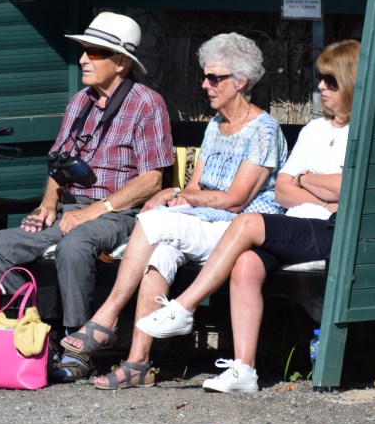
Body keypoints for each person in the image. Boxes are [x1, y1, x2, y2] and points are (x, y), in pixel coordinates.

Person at [58, 32, 288, 389]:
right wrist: (178, 195)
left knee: (153, 222)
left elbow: (236, 200)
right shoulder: (216, 126)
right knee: (160, 253)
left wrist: (181, 197)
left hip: (239, 231)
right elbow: (195, 188)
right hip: (205, 223)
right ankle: (137, 363)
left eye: (214, 78)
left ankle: (107, 316)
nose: (205, 84)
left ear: (241, 82)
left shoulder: (263, 131)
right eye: (205, 76)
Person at [136, 40, 360, 393]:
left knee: (249, 222)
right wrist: (316, 185)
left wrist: (305, 180)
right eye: (320, 79)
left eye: (331, 81)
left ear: (351, 82)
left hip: (333, 229)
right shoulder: (314, 130)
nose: (321, 87)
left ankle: (184, 306)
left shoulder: (362, 133)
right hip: (296, 225)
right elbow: (284, 190)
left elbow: (349, 188)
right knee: (245, 264)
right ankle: (244, 370)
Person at [0, 12, 174, 382]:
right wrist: (48, 204)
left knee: (75, 244)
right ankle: (36, 332)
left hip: (121, 214)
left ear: (121, 62)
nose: (83, 59)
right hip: (71, 212)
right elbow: (59, 162)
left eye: (94, 52)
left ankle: (77, 345)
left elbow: (152, 180)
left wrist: (93, 212)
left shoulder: (147, 103)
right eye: (83, 50)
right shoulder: (79, 102)